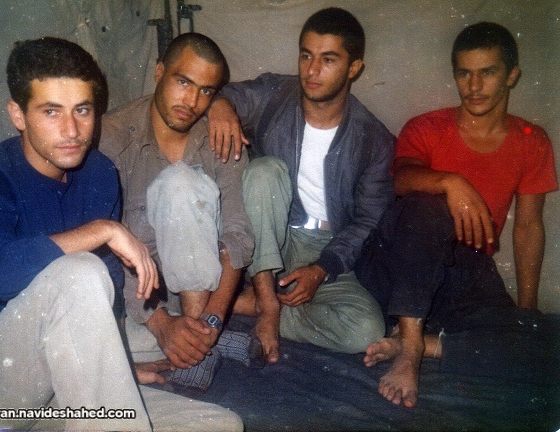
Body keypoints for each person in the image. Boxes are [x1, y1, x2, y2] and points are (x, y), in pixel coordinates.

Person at [0, 37, 242, 431]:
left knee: (220, 425)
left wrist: (120, 368)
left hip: (60, 378)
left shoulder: (98, 173)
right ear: (18, 115)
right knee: (80, 271)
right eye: (51, 112)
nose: (71, 130)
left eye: (82, 110)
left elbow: (109, 292)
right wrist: (104, 230)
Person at [355, 22, 558, 408]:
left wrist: (526, 315)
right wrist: (450, 181)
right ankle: (410, 348)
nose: (474, 85)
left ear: (512, 76)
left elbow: (529, 226)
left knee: (545, 342)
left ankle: (426, 344)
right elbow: (402, 180)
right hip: (403, 263)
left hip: (468, 274)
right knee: (430, 204)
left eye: (488, 72)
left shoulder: (532, 141)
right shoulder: (427, 127)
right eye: (464, 73)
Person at [207, 7, 394, 364]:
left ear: (354, 68)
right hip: (271, 230)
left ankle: (244, 304)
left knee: (366, 331)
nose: (311, 70)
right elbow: (222, 92)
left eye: (328, 60)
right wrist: (220, 105)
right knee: (264, 171)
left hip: (327, 247)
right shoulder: (276, 94)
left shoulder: (373, 139)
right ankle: (268, 306)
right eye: (306, 56)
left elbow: (368, 221)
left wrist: (321, 270)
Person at [99, 33, 255, 390]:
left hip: (205, 288)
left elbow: (238, 235)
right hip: (142, 295)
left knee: (181, 183)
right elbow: (104, 246)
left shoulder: (221, 136)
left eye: (206, 91)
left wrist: (212, 320)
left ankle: (198, 344)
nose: (192, 102)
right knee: (99, 340)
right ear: (159, 72)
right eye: (183, 82)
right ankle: (206, 345)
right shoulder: (111, 137)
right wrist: (160, 324)